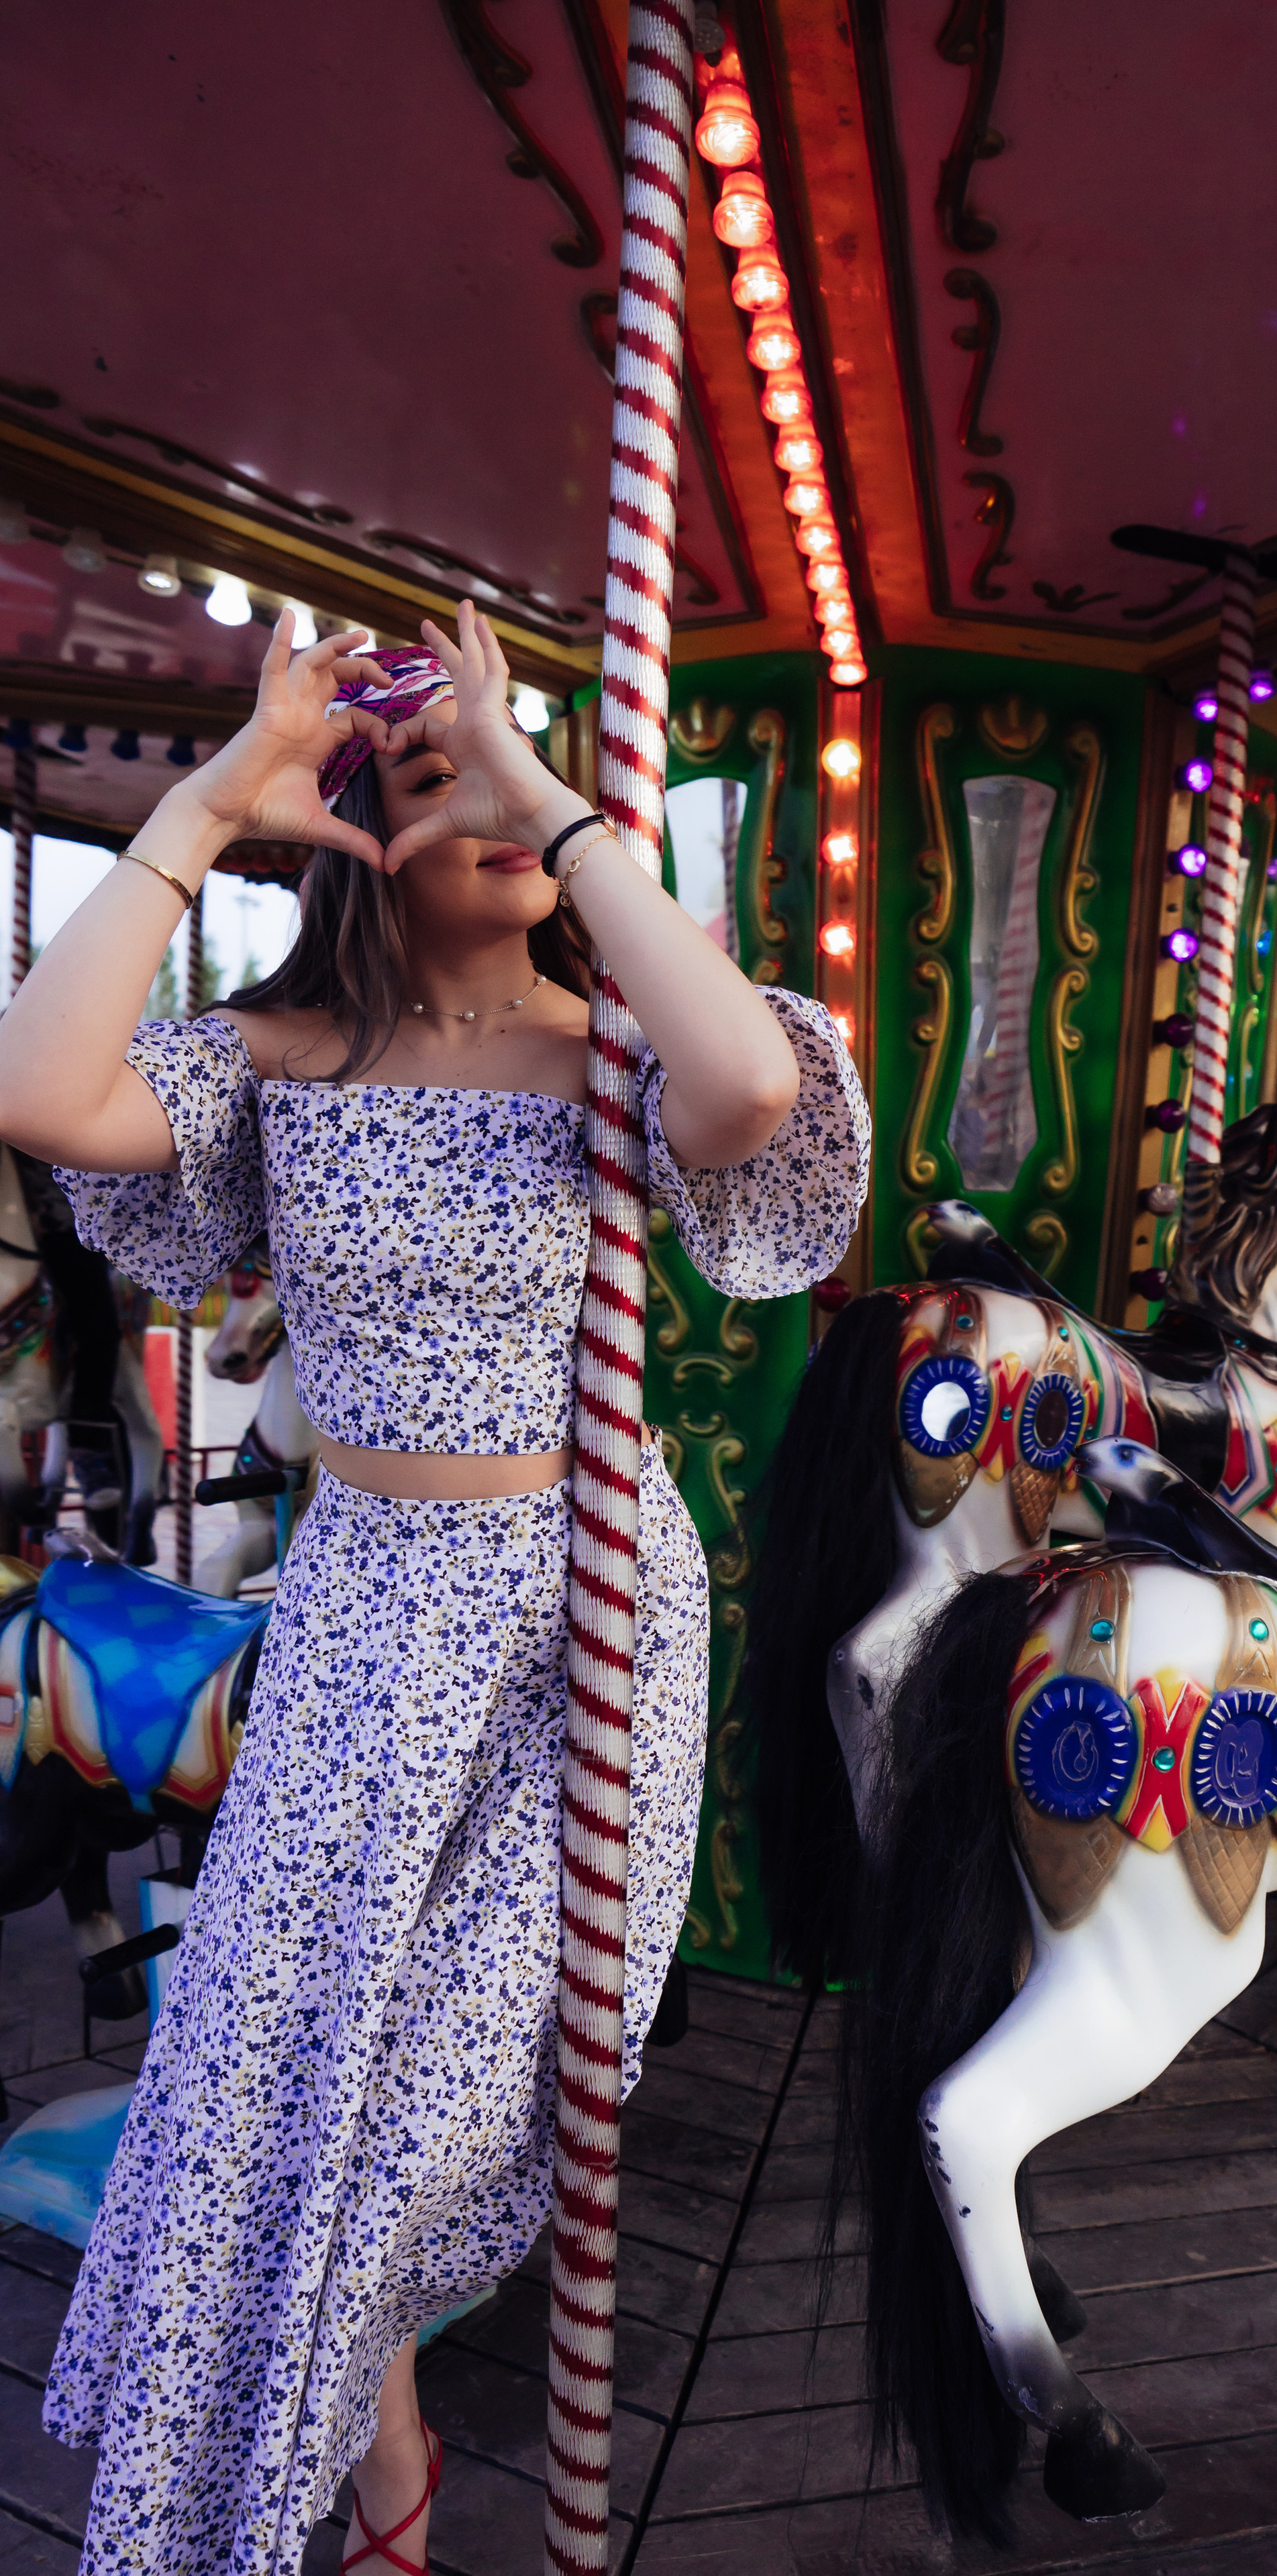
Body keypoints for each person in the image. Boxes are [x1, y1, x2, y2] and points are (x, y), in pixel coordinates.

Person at [1, 604, 870, 2575]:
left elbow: (748, 1084)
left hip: (587, 1611)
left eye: (505, 772)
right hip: (376, 1604)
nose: (476, 802)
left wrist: (543, 790)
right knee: (270, 2099)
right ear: (356, 834)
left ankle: (360, 2478)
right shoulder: (285, 1058)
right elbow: (41, 1088)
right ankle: (384, 2485)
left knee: (430, 2113)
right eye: (430, 778)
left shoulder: (623, 1050)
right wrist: (225, 794)